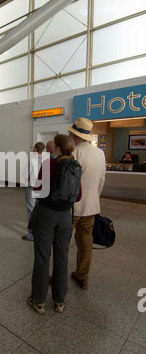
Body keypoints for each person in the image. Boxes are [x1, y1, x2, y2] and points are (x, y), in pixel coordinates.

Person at [27, 134, 82, 315]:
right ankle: (59, 301)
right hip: (66, 216)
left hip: (47, 215)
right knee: (62, 258)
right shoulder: (75, 166)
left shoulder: (50, 164)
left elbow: (37, 189)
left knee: (43, 257)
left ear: (58, 149)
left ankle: (39, 300)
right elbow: (78, 196)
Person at [67, 118, 106, 290]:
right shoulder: (100, 153)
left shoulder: (74, 153)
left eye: (70, 133)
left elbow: (67, 183)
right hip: (91, 207)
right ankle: (82, 277)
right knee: (85, 243)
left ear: (74, 136)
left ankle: (60, 277)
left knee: (63, 243)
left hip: (72, 208)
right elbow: (102, 179)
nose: (69, 135)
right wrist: (94, 198)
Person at [22, 142, 46, 242]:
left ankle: (31, 235)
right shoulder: (46, 160)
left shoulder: (31, 160)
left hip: (32, 188)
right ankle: (40, 232)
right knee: (40, 211)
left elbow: (25, 174)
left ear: (35, 149)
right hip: (43, 188)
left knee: (31, 211)